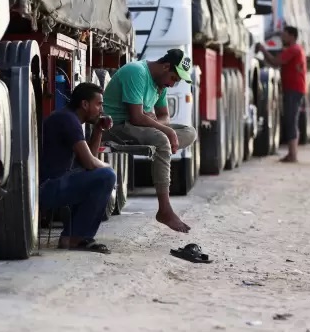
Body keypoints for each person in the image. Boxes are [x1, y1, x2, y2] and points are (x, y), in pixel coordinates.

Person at [101, 49, 197, 233]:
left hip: (140, 127)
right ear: (166, 66)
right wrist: (164, 129)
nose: (172, 84)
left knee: (190, 132)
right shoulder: (137, 72)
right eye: (173, 78)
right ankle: (164, 210)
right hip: (116, 126)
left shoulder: (160, 84)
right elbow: (136, 117)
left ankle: (161, 147)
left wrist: (156, 123)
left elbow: (164, 116)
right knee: (162, 139)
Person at [40, 82, 117, 254]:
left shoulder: (68, 117)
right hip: (47, 187)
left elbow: (88, 162)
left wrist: (98, 129)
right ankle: (77, 237)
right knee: (107, 176)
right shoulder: (68, 120)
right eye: (99, 104)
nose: (101, 109)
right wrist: (109, 170)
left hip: (53, 184)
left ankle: (72, 235)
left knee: (100, 175)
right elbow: (91, 163)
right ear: (85, 104)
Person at [255, 25, 307, 163]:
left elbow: (276, 62)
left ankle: (293, 154)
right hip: (294, 89)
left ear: (292, 36)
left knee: (291, 120)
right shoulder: (295, 49)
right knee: (291, 120)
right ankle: (292, 153)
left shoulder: (294, 50)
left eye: (284, 35)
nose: (282, 38)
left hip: (294, 89)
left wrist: (263, 50)